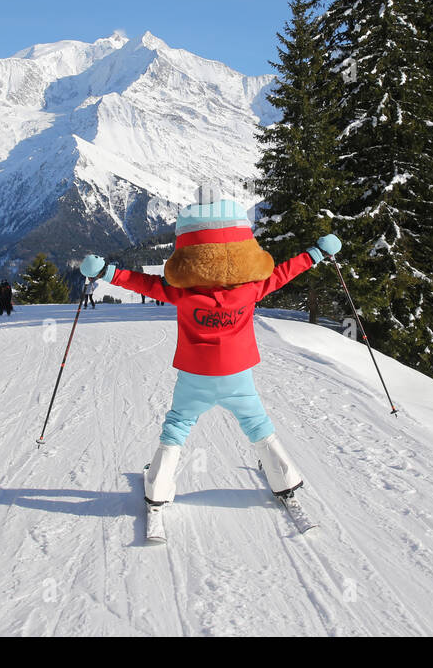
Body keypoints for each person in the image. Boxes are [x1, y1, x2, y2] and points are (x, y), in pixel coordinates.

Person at [80, 191, 340, 507]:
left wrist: (106, 271)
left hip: (195, 374)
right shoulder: (251, 288)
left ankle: (158, 486)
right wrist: (315, 253)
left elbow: (142, 284)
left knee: (177, 425)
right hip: (237, 373)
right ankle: (284, 478)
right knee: (257, 423)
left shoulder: (183, 293)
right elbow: (284, 273)